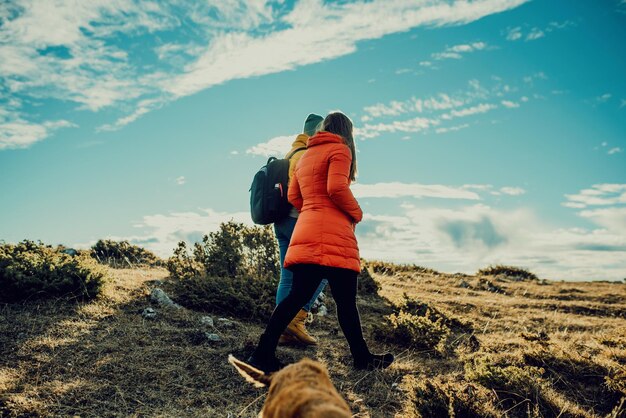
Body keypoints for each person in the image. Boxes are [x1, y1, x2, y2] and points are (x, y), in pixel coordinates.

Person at [248, 111, 394, 372]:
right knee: (346, 303)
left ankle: (262, 353)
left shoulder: (306, 155)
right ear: (347, 132)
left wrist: (314, 209)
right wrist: (355, 213)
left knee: (295, 297)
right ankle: (362, 359)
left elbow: (294, 196)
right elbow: (336, 188)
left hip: (308, 230)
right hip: (333, 236)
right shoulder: (341, 150)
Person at [274, 113, 328, 346]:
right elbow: (302, 193)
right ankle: (296, 320)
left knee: (287, 279)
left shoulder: (291, 153)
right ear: (317, 131)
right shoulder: (307, 154)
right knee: (324, 272)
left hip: (282, 222)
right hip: (298, 221)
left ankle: (282, 331)